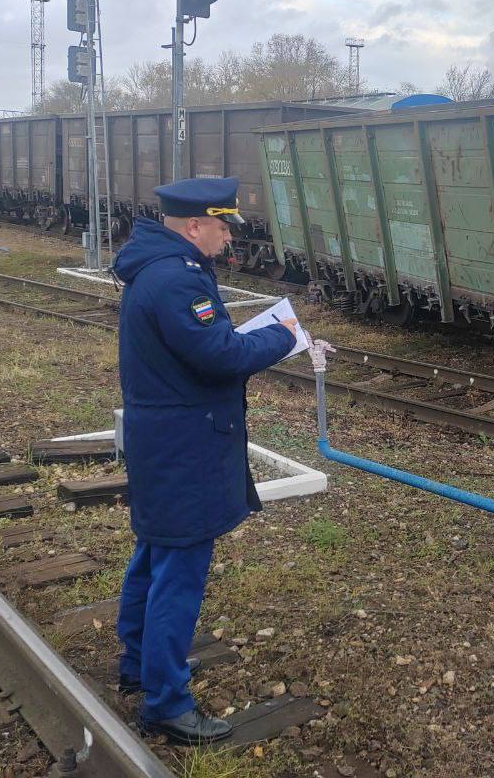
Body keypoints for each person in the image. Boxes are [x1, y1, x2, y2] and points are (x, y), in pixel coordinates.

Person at [111, 177, 298, 744]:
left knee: (155, 552)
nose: (228, 238)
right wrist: (283, 336)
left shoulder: (160, 268)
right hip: (184, 446)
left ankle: (138, 664)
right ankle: (167, 703)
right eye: (223, 227)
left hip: (164, 439)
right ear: (195, 226)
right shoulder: (177, 279)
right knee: (179, 573)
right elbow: (220, 354)